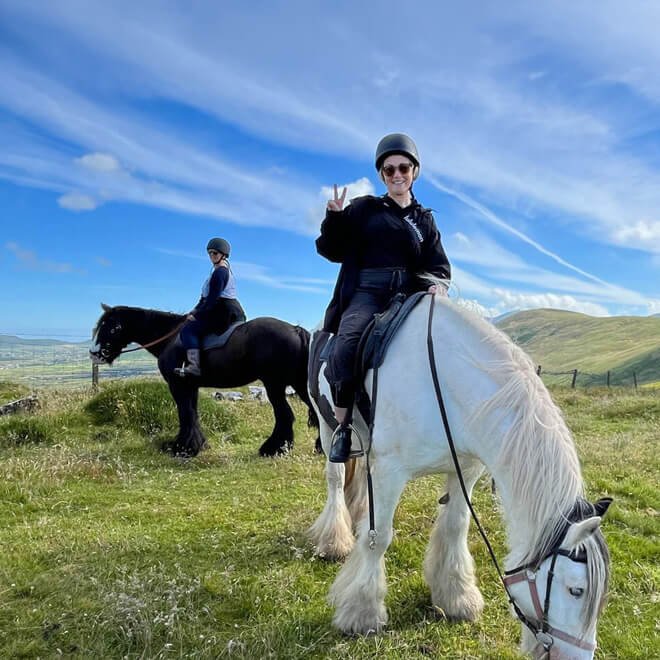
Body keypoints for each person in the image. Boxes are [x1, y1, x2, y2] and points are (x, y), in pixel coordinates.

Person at [316, 133, 451, 462]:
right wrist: (334, 218)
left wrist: (439, 286)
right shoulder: (364, 209)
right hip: (367, 293)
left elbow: (438, 265)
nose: (397, 175)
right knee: (347, 344)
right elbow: (331, 250)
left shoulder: (424, 220)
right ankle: (344, 427)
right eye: (389, 170)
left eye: (403, 168)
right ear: (382, 176)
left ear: (414, 171)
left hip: (409, 294)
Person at [174, 237, 247, 377]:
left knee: (188, 330)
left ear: (223, 255)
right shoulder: (218, 271)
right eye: (210, 253)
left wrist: (196, 315)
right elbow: (204, 299)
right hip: (225, 308)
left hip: (223, 311)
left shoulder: (220, 272)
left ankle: (193, 366)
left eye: (215, 253)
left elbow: (212, 299)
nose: (212, 256)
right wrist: (194, 310)